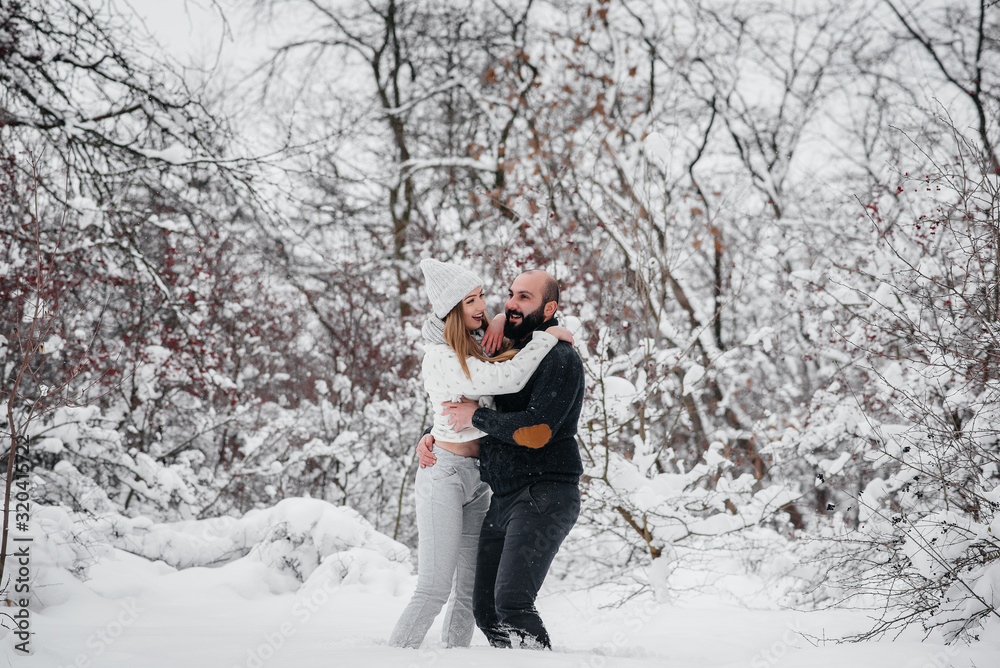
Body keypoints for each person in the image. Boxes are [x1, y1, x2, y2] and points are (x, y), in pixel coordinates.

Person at [388, 259, 575, 649]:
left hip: (483, 477)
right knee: (435, 587)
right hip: (446, 473)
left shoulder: (485, 346)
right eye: (469, 300)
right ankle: (393, 656)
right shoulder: (441, 355)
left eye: (481, 297)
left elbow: (485, 408)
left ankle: (457, 656)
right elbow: (500, 382)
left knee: (468, 593)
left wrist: (501, 325)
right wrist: (547, 337)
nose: (483, 306)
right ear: (452, 309)